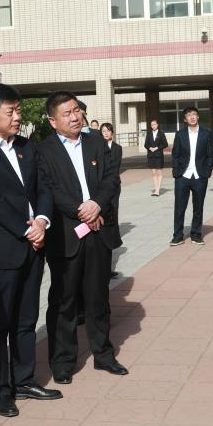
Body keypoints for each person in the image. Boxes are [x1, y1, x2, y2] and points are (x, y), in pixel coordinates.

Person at [0, 83, 62, 418]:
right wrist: (25, 228)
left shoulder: (26, 146)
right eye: (11, 111)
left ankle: (24, 379)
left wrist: (42, 221)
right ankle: (0, 389)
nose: (17, 117)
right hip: (0, 250)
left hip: (34, 245)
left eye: (18, 110)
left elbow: (43, 186)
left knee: (26, 318)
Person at [39, 94, 126, 384]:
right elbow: (49, 189)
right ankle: (63, 361)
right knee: (64, 300)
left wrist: (97, 204)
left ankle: (104, 354)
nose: (75, 117)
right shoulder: (44, 151)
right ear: (53, 121)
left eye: (77, 110)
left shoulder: (95, 142)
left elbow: (111, 178)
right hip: (66, 235)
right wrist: (82, 210)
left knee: (98, 297)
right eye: (67, 113)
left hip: (98, 231)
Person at [170, 106, 213, 246]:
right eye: (189, 115)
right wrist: (176, 172)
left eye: (194, 114)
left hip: (200, 176)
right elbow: (175, 154)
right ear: (185, 119)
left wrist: (207, 172)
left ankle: (196, 234)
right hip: (182, 176)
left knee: (198, 207)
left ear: (198, 117)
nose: (192, 117)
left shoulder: (206, 134)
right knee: (179, 208)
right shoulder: (180, 134)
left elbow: (210, 155)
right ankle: (178, 236)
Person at [100, 123, 122, 278]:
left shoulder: (117, 148)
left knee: (113, 214)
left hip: (113, 185)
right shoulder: (98, 147)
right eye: (103, 131)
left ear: (112, 133)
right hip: (100, 188)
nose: (106, 133)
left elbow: (114, 166)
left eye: (108, 131)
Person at [144, 119, 167, 196]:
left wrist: (157, 148)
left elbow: (165, 144)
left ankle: (157, 190)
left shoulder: (161, 133)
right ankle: (156, 189)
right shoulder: (149, 134)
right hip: (151, 156)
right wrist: (150, 148)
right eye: (152, 125)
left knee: (159, 172)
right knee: (153, 173)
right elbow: (145, 144)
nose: (153, 126)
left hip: (158, 155)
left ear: (157, 125)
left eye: (154, 124)